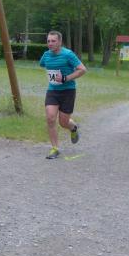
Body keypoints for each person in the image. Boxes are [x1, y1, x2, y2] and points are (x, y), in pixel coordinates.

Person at [39, 31, 87, 160]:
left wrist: (65, 78)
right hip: (52, 90)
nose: (50, 43)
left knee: (63, 122)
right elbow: (43, 64)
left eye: (53, 41)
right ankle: (55, 148)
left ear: (60, 42)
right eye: (48, 41)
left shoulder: (68, 54)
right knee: (50, 118)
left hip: (68, 91)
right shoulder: (46, 55)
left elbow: (82, 69)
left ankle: (73, 127)